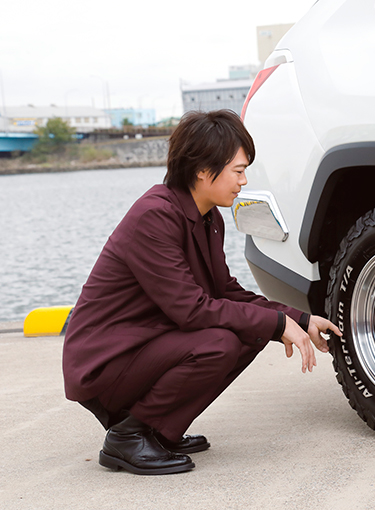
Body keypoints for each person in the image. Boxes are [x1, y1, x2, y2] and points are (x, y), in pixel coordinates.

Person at [62, 109, 341, 476]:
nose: (244, 180)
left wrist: (297, 319)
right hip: (104, 362)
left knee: (251, 332)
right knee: (221, 343)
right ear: (202, 169)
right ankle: (128, 437)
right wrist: (275, 324)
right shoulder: (155, 216)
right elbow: (191, 311)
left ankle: (158, 431)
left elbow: (226, 292)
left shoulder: (209, 218)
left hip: (144, 347)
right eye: (238, 170)